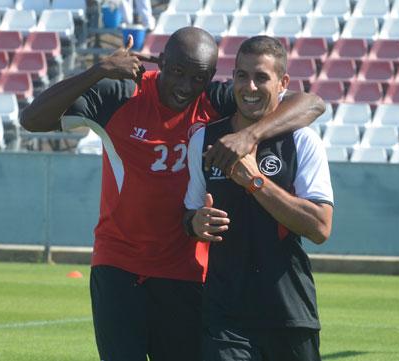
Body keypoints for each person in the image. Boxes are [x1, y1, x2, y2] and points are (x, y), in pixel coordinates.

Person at [20, 27, 325, 361]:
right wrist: (98, 71)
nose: (185, 86)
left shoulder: (216, 100)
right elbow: (32, 120)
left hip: (186, 271)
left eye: (197, 77)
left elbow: (311, 103)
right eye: (177, 72)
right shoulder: (119, 95)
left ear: (210, 77)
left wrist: (249, 135)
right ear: (161, 62)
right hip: (119, 266)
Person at [184, 35, 334, 361]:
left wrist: (255, 181)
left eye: (261, 77)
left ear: (283, 83)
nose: (249, 87)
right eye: (241, 75)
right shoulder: (205, 140)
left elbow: (320, 228)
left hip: (288, 312)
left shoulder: (302, 141)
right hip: (225, 316)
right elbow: (189, 213)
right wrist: (195, 223)